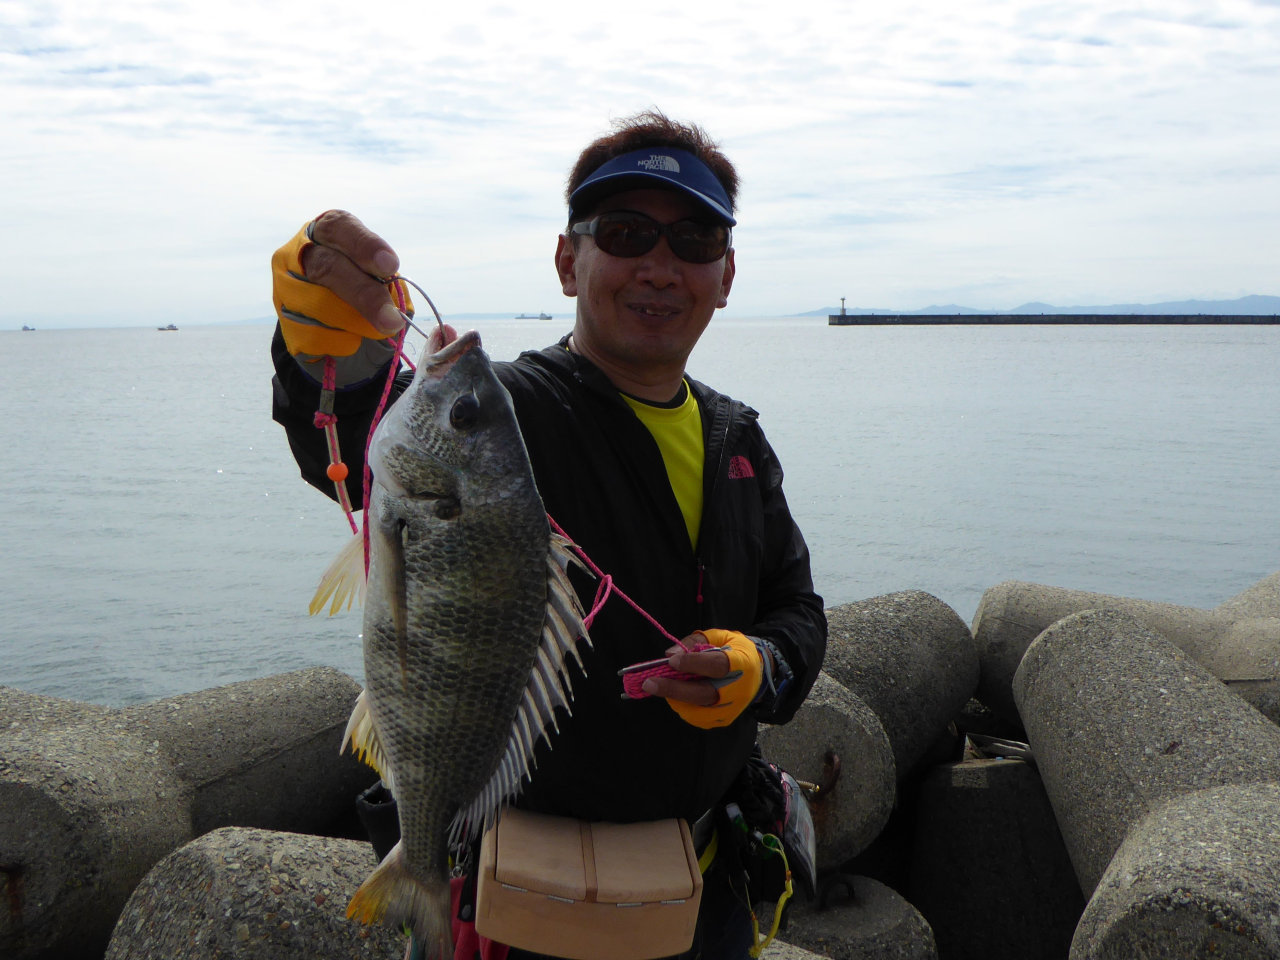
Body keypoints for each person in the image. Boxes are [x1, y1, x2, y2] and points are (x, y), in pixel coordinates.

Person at [270, 110, 827, 960]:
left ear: (725, 275)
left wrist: (760, 666)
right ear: (569, 262)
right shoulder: (512, 411)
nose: (660, 266)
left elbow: (798, 611)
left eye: (695, 240)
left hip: (702, 898)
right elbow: (351, 431)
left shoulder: (738, 441)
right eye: (627, 233)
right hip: (516, 909)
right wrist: (323, 341)